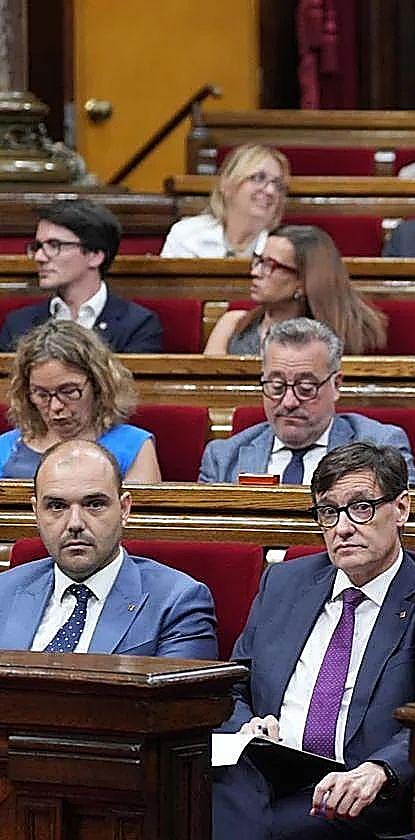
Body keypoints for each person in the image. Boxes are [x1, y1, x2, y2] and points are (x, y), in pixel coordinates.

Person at [211, 441, 415, 839]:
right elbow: (234, 683)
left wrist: (380, 769)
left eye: (361, 507)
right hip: (262, 772)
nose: (342, 528)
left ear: (401, 509)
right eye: (328, 511)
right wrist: (246, 726)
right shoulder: (285, 582)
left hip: (355, 792)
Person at [0, 439, 217, 658]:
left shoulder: (176, 602)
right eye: (57, 506)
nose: (75, 523)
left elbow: (177, 681)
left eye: (94, 504)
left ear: (124, 509)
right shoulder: (4, 591)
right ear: (36, 512)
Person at [200, 318, 415, 485]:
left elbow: (403, 522)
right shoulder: (223, 458)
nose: (289, 402)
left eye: (306, 388)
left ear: (336, 385)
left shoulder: (382, 446)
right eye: (276, 386)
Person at [0, 320, 161, 481]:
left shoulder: (133, 445)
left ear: (98, 385)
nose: (55, 406)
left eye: (69, 391)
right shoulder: (5, 447)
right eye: (41, 394)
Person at [0, 199, 162, 353]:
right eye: (38, 246)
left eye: (54, 245)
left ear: (95, 255)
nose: (39, 257)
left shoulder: (138, 325)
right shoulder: (18, 324)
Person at [206, 225, 387, 356]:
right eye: (259, 260)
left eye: (270, 265)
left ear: (303, 282)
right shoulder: (232, 324)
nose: (255, 272)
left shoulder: (336, 340)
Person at [161, 144, 289, 258]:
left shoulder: (285, 249)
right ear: (226, 184)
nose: (271, 191)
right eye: (258, 178)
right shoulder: (186, 234)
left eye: (278, 184)